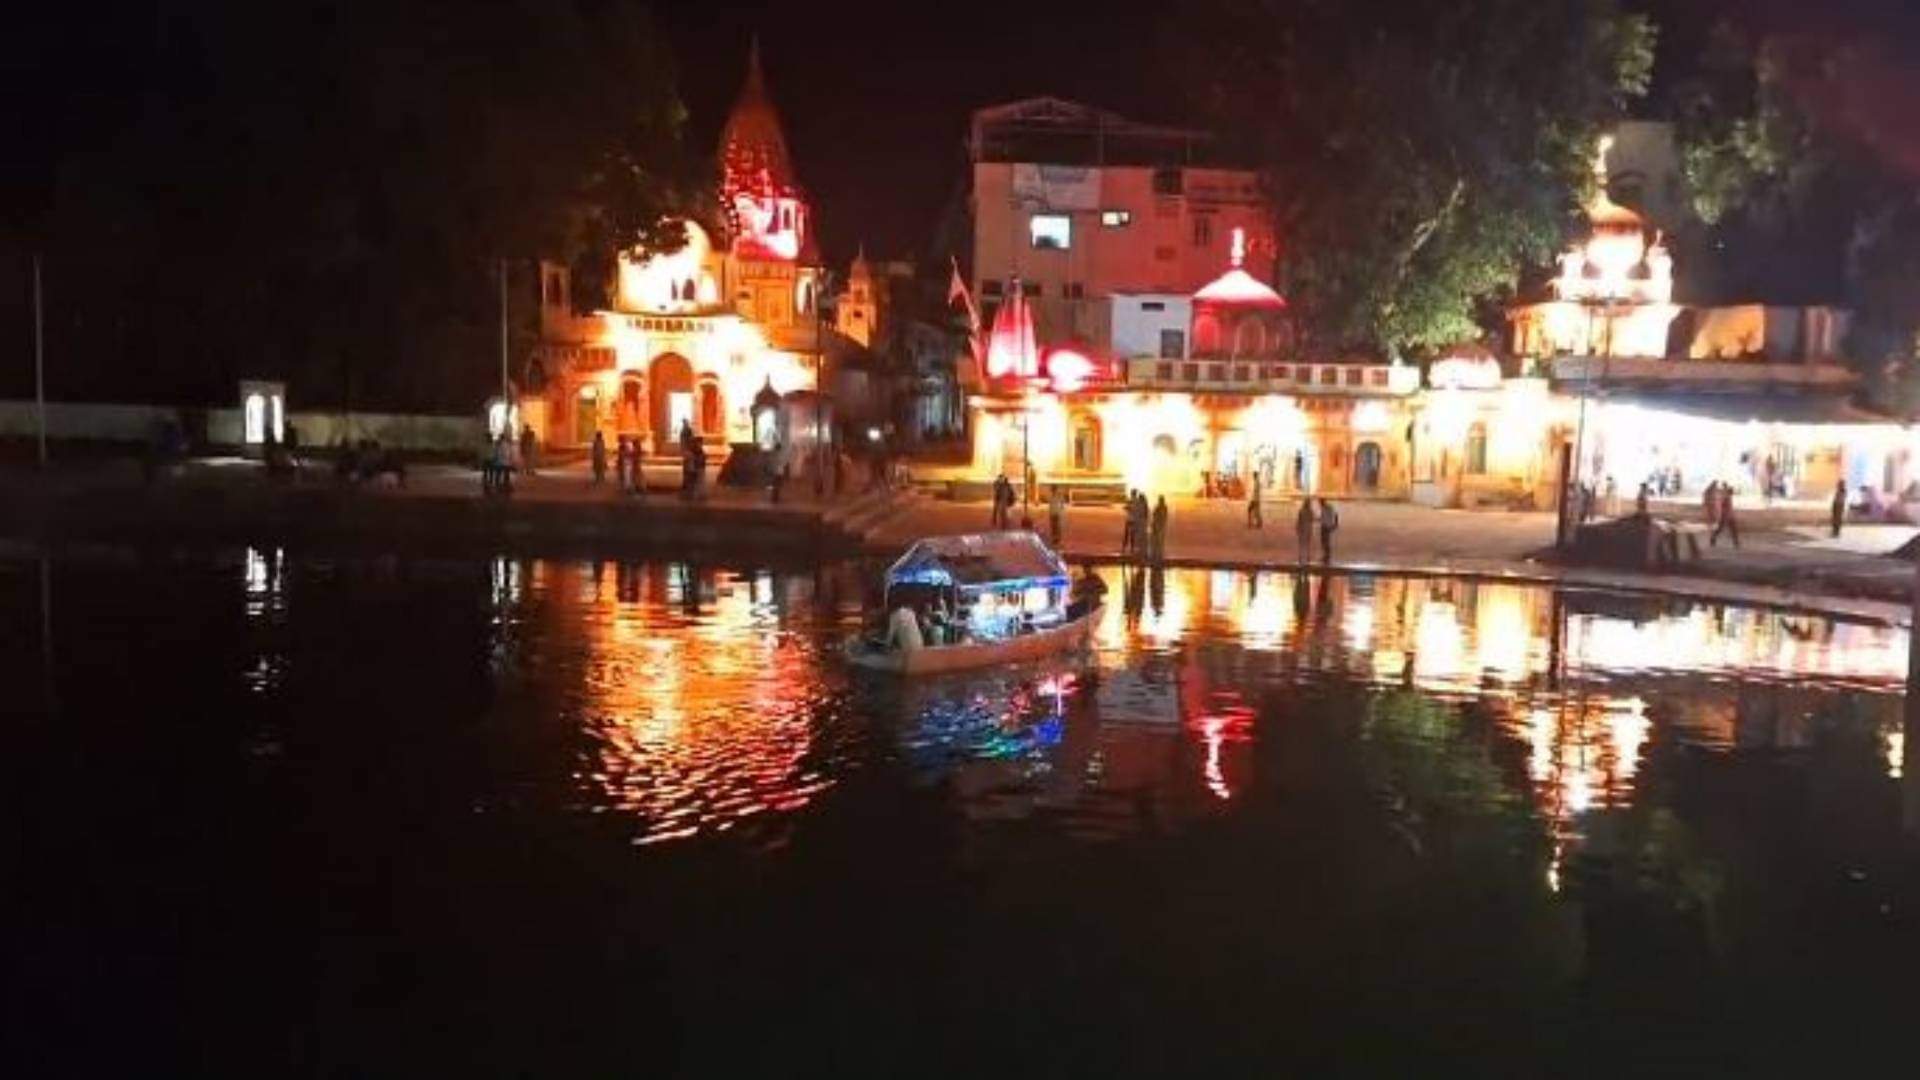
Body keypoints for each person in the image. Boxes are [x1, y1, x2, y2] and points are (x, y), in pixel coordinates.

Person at [1711, 484, 1740, 548]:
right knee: (1721, 529)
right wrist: (1722, 515)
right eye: (1732, 492)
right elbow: (1722, 507)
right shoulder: (1726, 497)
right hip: (1725, 516)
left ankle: (1736, 542)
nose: (1732, 494)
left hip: (1728, 515)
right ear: (1730, 492)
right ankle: (1713, 538)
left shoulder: (1727, 497)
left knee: (1732, 529)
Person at [1317, 497, 1339, 564]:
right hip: (1325, 526)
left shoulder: (1328, 507)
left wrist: (1335, 523)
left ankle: (1327, 556)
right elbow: (1323, 517)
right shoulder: (1324, 508)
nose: (1319, 504)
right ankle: (1326, 556)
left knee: (1325, 542)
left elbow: (1335, 515)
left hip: (1326, 526)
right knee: (1324, 541)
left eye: (1320, 502)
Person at [1149, 496, 1169, 564]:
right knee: (1157, 542)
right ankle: (1157, 555)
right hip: (1158, 526)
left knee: (1158, 542)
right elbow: (1156, 516)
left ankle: (1157, 556)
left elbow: (1158, 516)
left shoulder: (1161, 508)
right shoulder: (1161, 508)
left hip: (1159, 527)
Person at [1295, 498, 1315, 563]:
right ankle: (1307, 556)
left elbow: (1299, 520)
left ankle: (1301, 556)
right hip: (1308, 527)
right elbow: (1312, 519)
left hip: (1303, 528)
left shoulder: (1302, 511)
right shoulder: (1310, 511)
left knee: (1302, 543)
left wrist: (1297, 528)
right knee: (1307, 543)